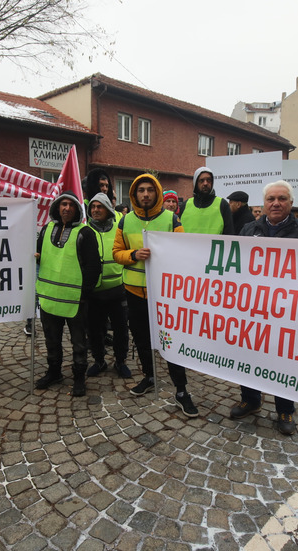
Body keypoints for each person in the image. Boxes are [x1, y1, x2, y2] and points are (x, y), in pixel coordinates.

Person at [113, 173, 199, 417]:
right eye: (141, 190)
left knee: (170, 342)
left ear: (157, 192)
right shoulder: (125, 221)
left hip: (164, 294)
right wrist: (133, 255)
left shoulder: (172, 219)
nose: (146, 194)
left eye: (150, 190)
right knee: (141, 338)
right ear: (134, 194)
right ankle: (149, 377)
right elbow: (116, 252)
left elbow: (183, 251)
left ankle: (182, 391)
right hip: (133, 291)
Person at [233, 180, 298, 435]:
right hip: (253, 307)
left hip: (289, 310)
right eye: (271, 199)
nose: (276, 203)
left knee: (283, 359)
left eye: (282, 199)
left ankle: (285, 408)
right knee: (249, 352)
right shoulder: (249, 229)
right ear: (264, 203)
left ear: (291, 203)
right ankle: (251, 399)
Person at [34, 191, 101, 396]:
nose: (66, 208)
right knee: (51, 339)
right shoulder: (46, 229)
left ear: (77, 209)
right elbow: (40, 256)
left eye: (71, 205)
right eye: (63, 204)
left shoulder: (85, 233)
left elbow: (93, 267)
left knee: (79, 342)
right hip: (49, 298)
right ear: (57, 207)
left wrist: (84, 293)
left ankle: (79, 377)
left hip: (75, 300)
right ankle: (54, 371)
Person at [84, 192, 132, 379]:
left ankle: (120, 361)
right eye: (93, 207)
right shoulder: (85, 230)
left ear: (108, 209)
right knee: (95, 330)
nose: (95, 210)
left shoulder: (119, 229)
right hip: (94, 292)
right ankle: (99, 360)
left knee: (121, 329)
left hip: (118, 289)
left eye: (100, 207)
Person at [180, 167, 235, 235]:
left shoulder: (222, 205)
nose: (205, 183)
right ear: (196, 183)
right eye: (201, 180)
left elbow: (229, 235)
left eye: (209, 180)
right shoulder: (184, 206)